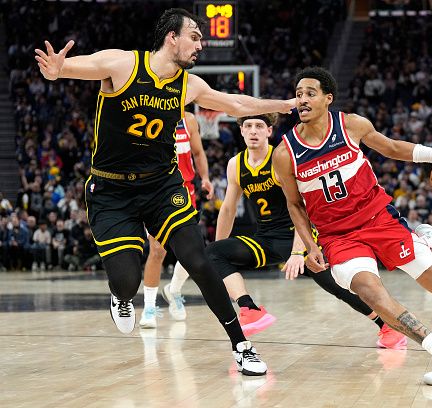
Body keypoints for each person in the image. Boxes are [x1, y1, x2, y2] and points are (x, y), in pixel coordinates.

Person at [35, 8, 294, 376]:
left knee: (199, 260)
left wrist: (283, 106)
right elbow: (83, 66)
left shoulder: (189, 85)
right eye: (195, 36)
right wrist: (59, 69)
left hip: (161, 186)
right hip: (111, 190)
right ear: (172, 37)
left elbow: (238, 104)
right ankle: (122, 297)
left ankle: (242, 345)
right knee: (127, 281)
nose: (200, 45)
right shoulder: (123, 64)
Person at [272, 67, 432, 386]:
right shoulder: (285, 153)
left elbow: (392, 148)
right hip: (338, 237)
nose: (302, 100)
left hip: (378, 218)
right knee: (372, 294)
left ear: (328, 98)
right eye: (298, 94)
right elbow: (294, 204)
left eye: (310, 93)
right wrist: (310, 247)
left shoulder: (351, 125)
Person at [163, 113, 407, 348]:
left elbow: (301, 207)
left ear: (269, 131)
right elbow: (227, 209)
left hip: (299, 236)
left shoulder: (281, 158)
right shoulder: (235, 164)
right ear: (241, 131)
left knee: (338, 287)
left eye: (259, 126)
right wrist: (219, 254)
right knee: (213, 252)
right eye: (248, 127)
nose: (253, 131)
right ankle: (250, 309)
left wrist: (297, 253)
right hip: (266, 239)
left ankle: (387, 326)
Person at [139, 109, 214, 328]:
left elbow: (198, 153)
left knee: (190, 250)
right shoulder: (147, 116)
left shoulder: (189, 120)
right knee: (158, 249)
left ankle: (174, 290)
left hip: (185, 190)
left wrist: (206, 178)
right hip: (156, 191)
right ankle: (149, 308)